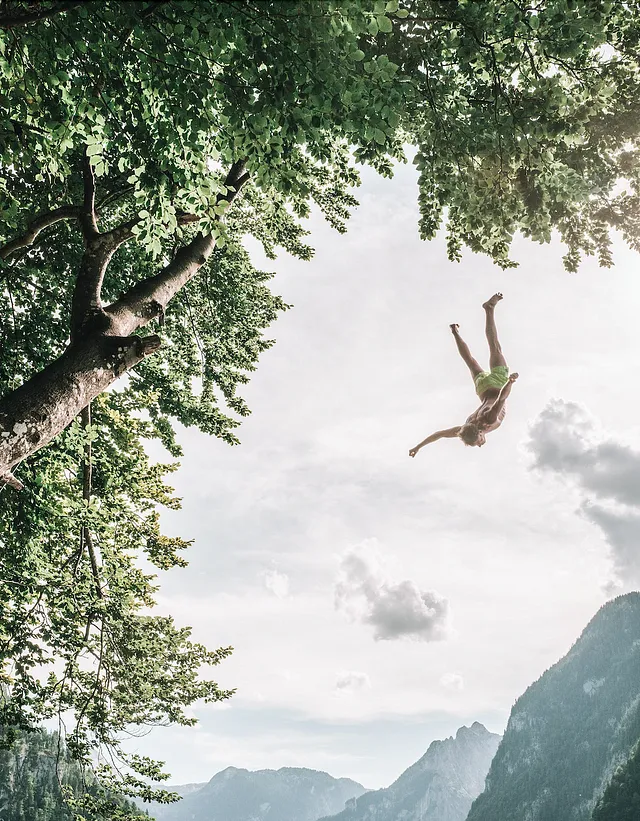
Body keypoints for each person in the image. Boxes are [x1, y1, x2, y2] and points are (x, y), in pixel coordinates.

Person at [409, 293, 518, 456]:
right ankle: (455, 332)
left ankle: (489, 309)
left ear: (480, 433)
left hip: (497, 384)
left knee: (494, 347)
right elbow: (439, 435)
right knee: (470, 360)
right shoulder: (465, 428)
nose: (480, 445)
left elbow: (502, 398)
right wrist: (418, 447)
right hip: (482, 388)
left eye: (478, 442)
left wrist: (510, 381)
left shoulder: (488, 420)